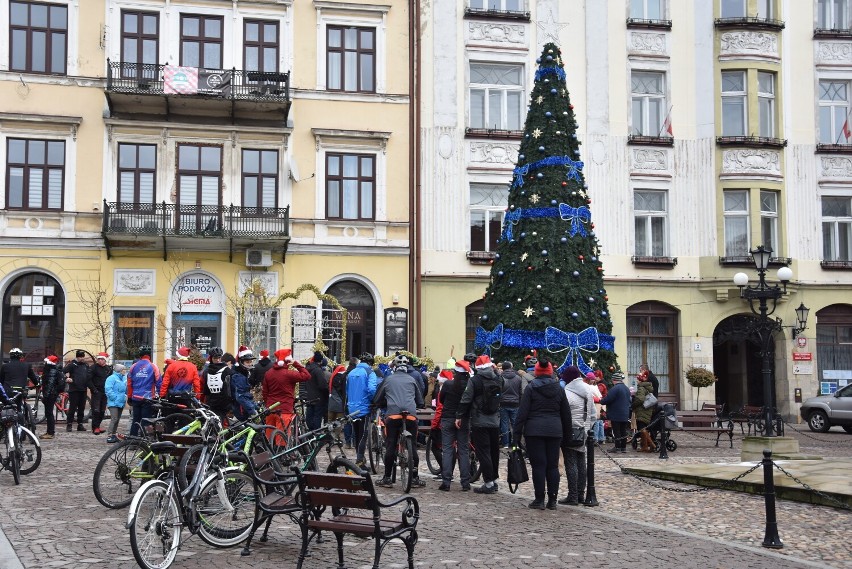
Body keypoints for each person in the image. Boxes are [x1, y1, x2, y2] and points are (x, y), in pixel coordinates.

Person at [513, 358, 572, 510]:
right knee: (552, 466)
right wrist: (567, 436)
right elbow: (566, 414)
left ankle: (539, 499)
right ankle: (552, 500)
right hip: (554, 430)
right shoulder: (559, 388)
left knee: (538, 466)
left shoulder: (531, 388)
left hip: (534, 430)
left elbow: (522, 413)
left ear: (537, 372)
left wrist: (516, 435)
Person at [373, 353, 426, 488]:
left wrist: (381, 404)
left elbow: (377, 398)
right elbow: (420, 401)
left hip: (393, 415)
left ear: (394, 368)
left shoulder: (388, 379)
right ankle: (414, 478)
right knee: (413, 446)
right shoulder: (412, 380)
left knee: (391, 445)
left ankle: (387, 478)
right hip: (410, 416)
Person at [456, 354, 502, 495]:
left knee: (483, 452)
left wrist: (459, 415)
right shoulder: (498, 379)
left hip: (479, 420)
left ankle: (488, 483)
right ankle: (494, 480)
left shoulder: (474, 380)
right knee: (494, 451)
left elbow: (466, 399)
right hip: (495, 420)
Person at [559, 365, 597, 505]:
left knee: (571, 463)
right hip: (584, 431)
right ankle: (581, 494)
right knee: (582, 463)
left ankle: (573, 496)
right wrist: (587, 428)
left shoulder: (567, 392)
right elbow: (593, 414)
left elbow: (562, 414)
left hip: (570, 431)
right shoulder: (588, 389)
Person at [438, 360, 473, 491]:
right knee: (463, 450)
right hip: (463, 419)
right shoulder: (469, 385)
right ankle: (465, 482)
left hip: (448, 417)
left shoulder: (448, 384)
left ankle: (446, 481)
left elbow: (441, 399)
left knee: (447, 450)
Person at [261, 348, 310, 433]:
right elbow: (307, 375)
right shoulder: (289, 374)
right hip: (285, 410)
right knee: (282, 440)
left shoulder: (268, 373)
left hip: (271, 409)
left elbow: (265, 392)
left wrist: (268, 404)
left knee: (269, 440)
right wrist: (295, 364)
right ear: (287, 360)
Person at [345, 353, 377, 466]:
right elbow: (372, 389)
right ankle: (359, 460)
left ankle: (360, 458)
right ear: (370, 363)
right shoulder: (369, 372)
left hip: (352, 407)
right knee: (363, 434)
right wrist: (373, 400)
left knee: (357, 434)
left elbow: (347, 390)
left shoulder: (351, 372)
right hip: (364, 407)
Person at [1, 347, 39, 431]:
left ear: (10, 356)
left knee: (4, 406)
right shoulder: (26, 365)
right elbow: (33, 378)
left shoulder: (5, 366)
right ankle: (21, 430)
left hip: (8, 390)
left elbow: (1, 380)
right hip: (21, 390)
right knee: (19, 408)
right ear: (20, 356)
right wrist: (37, 384)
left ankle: (4, 429)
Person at [127, 346, 160, 437]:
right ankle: (146, 441)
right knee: (147, 420)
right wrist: (161, 395)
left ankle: (132, 440)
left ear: (140, 355)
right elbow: (158, 382)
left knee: (135, 420)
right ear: (150, 355)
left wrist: (129, 397)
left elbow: (129, 384)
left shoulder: (133, 367)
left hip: (135, 397)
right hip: (148, 397)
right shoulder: (153, 366)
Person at [601, 371, 631, 453]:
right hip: (625, 413)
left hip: (616, 414)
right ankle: (623, 448)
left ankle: (617, 447)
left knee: (616, 431)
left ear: (614, 380)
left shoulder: (615, 389)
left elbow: (608, 399)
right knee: (623, 431)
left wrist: (601, 400)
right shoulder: (626, 388)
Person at [202, 347, 234, 424]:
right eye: (215, 358)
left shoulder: (226, 370)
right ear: (211, 358)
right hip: (213, 402)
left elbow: (231, 386)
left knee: (219, 423)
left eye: (219, 358)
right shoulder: (207, 371)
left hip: (223, 402)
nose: (217, 360)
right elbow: (206, 388)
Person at [63, 350, 90, 432]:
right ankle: (69, 424)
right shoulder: (72, 365)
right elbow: (62, 371)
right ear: (77, 357)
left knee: (81, 408)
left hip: (83, 389)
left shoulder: (86, 365)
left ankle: (80, 424)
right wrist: (66, 378)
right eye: (80, 357)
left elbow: (89, 374)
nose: (82, 358)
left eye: (83, 357)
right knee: (72, 407)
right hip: (74, 389)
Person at [304, 351, 330, 431]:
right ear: (321, 361)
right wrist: (327, 393)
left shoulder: (307, 369)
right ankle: (316, 435)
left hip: (309, 397)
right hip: (319, 398)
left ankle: (310, 433)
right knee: (317, 417)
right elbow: (322, 385)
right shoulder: (318, 371)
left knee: (309, 416)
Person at [39, 355, 63, 440]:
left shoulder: (51, 371)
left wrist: (45, 396)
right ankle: (50, 431)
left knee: (49, 413)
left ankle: (50, 432)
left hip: (50, 395)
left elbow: (49, 384)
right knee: (49, 413)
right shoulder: (54, 370)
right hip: (52, 394)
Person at [499, 361, 523, 448]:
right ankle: (516, 443)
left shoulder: (500, 377)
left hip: (503, 403)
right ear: (511, 367)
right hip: (515, 403)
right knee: (515, 423)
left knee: (504, 423)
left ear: (503, 368)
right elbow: (520, 392)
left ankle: (506, 443)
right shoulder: (518, 378)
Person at [632, 370, 656, 452]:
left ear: (640, 380)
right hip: (647, 410)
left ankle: (652, 444)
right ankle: (645, 446)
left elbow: (640, 399)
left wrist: (633, 405)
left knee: (642, 428)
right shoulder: (647, 387)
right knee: (643, 428)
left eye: (637, 379)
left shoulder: (641, 388)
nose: (636, 381)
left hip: (642, 410)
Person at [231, 346, 257, 421]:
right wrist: (252, 410)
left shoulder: (243, 373)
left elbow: (246, 394)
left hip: (242, 409)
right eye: (247, 362)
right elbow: (241, 396)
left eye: (250, 361)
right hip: (240, 412)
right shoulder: (238, 376)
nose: (250, 364)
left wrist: (256, 406)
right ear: (241, 362)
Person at [88, 352, 112, 435]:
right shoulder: (93, 368)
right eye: (99, 359)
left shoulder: (108, 369)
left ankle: (98, 425)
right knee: (96, 410)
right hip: (96, 391)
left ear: (105, 360)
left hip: (105, 391)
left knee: (102, 411)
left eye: (102, 359)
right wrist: (94, 389)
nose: (100, 360)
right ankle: (95, 427)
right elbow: (88, 380)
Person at [327, 363, 350, 446]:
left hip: (331, 403)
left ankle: (330, 437)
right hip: (340, 404)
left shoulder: (332, 378)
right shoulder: (344, 378)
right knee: (339, 421)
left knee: (330, 421)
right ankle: (336, 437)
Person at [105, 363, 128, 443]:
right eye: (123, 369)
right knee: (114, 419)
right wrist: (114, 398)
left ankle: (114, 435)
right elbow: (108, 389)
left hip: (121, 402)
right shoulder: (111, 378)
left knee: (117, 419)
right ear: (119, 370)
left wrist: (125, 396)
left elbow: (126, 389)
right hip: (113, 402)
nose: (125, 371)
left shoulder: (124, 378)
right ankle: (110, 435)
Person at [585, 372, 606, 443]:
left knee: (596, 422)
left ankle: (595, 438)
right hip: (600, 405)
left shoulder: (591, 387)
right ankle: (601, 438)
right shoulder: (596, 386)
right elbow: (600, 396)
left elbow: (593, 397)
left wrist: (595, 399)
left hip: (596, 404)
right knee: (600, 422)